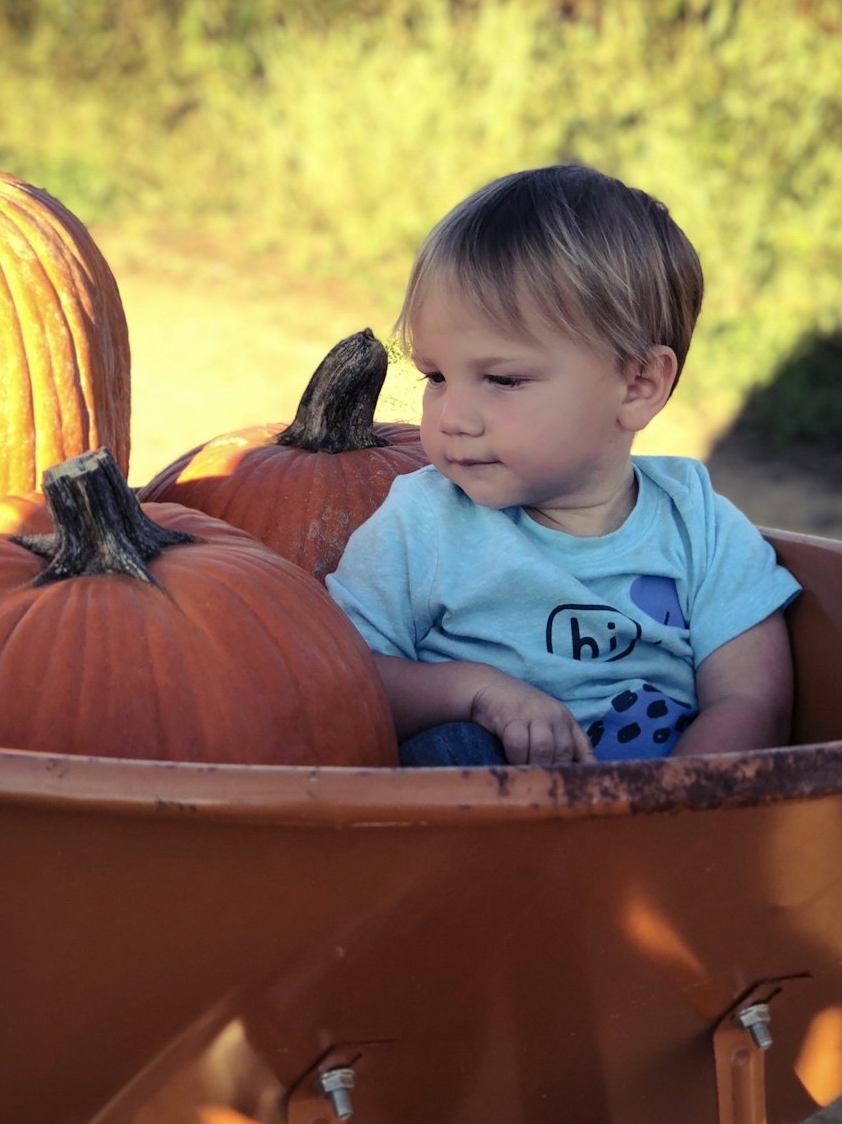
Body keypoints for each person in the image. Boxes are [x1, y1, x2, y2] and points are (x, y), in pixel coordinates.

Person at [325, 164, 800, 767]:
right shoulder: (420, 523)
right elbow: (341, 678)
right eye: (436, 377)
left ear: (636, 385)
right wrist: (475, 693)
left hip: (649, 832)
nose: (451, 417)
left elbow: (752, 701)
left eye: (502, 379)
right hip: (475, 827)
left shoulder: (701, 527)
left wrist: (666, 815)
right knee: (454, 749)